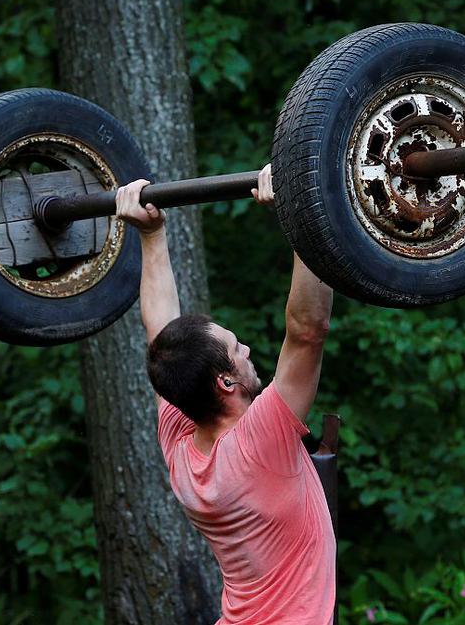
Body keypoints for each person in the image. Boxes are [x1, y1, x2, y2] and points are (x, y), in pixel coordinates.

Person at [115, 164, 336, 624]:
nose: (248, 350)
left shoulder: (182, 439)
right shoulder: (262, 440)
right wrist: (307, 215)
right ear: (226, 382)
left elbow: (161, 333)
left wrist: (151, 236)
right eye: (237, 350)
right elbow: (307, 331)